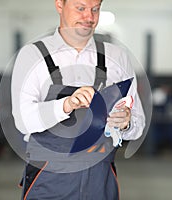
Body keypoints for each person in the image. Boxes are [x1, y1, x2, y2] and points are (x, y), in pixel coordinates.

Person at [11, 0, 146, 199]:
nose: (89, 17)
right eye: (80, 8)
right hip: (49, 179)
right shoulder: (33, 55)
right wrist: (65, 105)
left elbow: (138, 125)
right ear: (59, 5)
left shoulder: (116, 57)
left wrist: (126, 123)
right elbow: (23, 121)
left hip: (100, 179)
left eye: (95, 9)